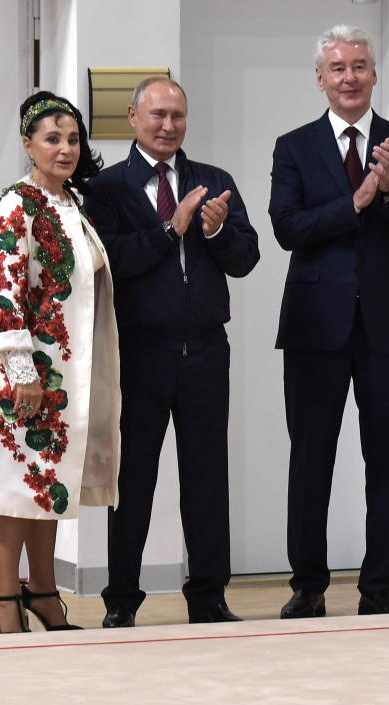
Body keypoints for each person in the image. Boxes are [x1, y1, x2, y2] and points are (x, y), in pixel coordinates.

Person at [270, 25, 389, 618]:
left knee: (386, 459)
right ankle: (308, 586)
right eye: (338, 69)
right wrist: (356, 202)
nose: (350, 78)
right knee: (310, 458)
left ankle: (378, 586)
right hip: (316, 326)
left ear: (374, 74)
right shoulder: (293, 147)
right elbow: (287, 228)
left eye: (360, 66)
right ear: (321, 79)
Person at [84, 77, 260, 627]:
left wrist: (214, 232)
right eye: (157, 114)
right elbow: (110, 260)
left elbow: (247, 257)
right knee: (132, 481)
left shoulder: (214, 181)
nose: (168, 126)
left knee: (207, 478)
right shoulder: (107, 188)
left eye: (178, 116)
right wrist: (171, 228)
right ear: (133, 116)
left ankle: (208, 597)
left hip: (206, 352)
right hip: (140, 353)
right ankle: (122, 600)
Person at [0, 92, 119, 633]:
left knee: (49, 482)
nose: (65, 148)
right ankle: (5, 599)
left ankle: (43, 593)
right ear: (28, 145)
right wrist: (21, 370)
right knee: (16, 484)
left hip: (63, 372)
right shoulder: (16, 204)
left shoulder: (71, 204)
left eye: (72, 138)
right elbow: (0, 290)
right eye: (52, 138)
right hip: (22, 371)